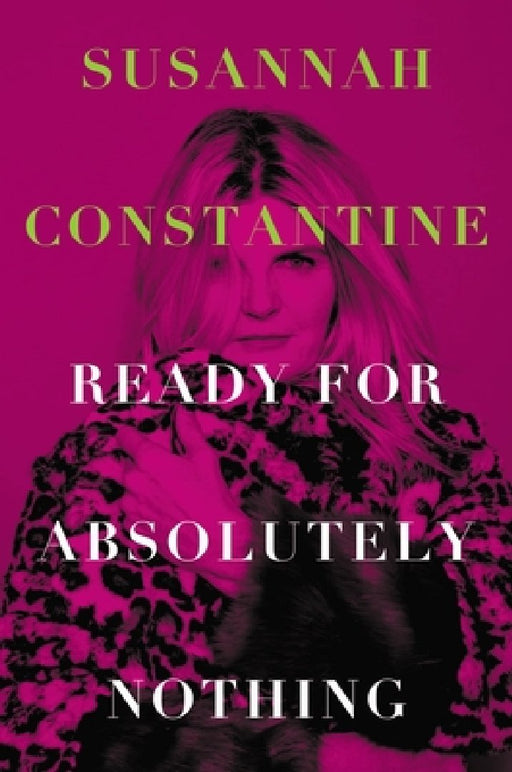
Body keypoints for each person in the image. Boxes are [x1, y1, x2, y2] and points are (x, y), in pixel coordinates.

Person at [1, 109, 511, 772]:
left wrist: (249, 561)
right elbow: (40, 736)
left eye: (294, 260)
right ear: (181, 278)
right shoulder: (120, 460)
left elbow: (497, 691)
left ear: (344, 271)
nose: (260, 302)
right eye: (220, 266)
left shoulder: (438, 451)